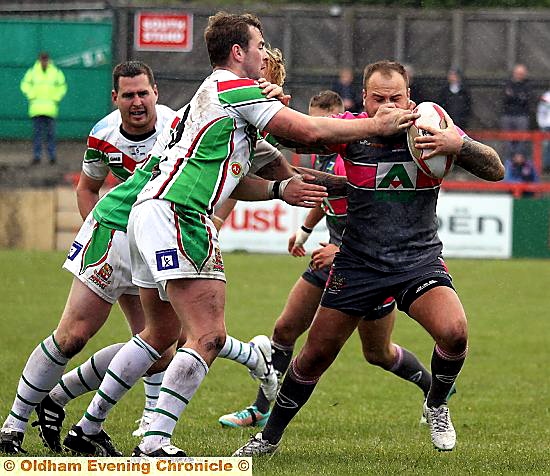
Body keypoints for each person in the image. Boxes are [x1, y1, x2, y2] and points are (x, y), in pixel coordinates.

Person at [61, 13, 416, 459]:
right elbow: (307, 131)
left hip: (151, 213)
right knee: (205, 337)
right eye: (259, 45)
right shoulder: (231, 88)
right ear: (238, 52)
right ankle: (154, 443)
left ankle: (85, 426)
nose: (264, 53)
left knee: (160, 335)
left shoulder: (219, 100)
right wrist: (376, 126)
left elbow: (278, 167)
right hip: (178, 212)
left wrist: (289, 186)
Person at [0, 60, 290, 456]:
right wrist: (97, 234)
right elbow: (88, 187)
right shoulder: (102, 133)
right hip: (120, 227)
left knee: (158, 345)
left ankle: (76, 412)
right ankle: (15, 426)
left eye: (143, 93)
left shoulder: (188, 117)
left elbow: (245, 167)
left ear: (156, 92)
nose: (137, 103)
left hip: (152, 230)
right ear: (115, 97)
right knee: (76, 335)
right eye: (128, 95)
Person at [233, 59, 504, 457]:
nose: (388, 105)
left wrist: (458, 145)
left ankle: (436, 403)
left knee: (455, 331)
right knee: (314, 356)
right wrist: (270, 106)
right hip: (358, 264)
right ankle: (267, 439)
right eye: (378, 98)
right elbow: (299, 139)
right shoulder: (353, 130)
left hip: (417, 261)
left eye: (396, 97)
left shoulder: (433, 127)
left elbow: (495, 169)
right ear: (365, 98)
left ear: (409, 96)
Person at [219, 90, 436, 429]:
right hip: (327, 257)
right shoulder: (323, 154)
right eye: (314, 121)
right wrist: (305, 232)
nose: (318, 129)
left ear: (343, 119)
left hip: (363, 262)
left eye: (326, 122)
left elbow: (374, 210)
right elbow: (326, 195)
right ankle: (262, 409)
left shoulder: (353, 149)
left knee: (378, 353)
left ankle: (432, 388)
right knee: (285, 328)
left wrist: (342, 249)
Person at [20, 52, 67, 165]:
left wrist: (55, 97)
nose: (44, 62)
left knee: (49, 134)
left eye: (45, 60)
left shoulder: (55, 72)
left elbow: (62, 86)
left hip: (50, 109)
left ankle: (51, 157)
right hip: (37, 109)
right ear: (40, 60)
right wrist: (32, 95)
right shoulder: (33, 72)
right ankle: (38, 157)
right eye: (42, 60)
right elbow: (24, 85)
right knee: (38, 134)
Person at [501, 63, 531, 158]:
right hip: (508, 115)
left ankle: (519, 160)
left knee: (521, 139)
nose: (519, 75)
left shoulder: (527, 85)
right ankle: (508, 160)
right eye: (518, 73)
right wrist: (518, 97)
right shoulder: (508, 84)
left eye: (521, 73)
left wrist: (514, 96)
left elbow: (526, 100)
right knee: (507, 140)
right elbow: (505, 99)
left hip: (522, 115)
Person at [536, 90, 550, 171]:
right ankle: (547, 166)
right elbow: (541, 111)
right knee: (546, 146)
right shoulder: (547, 96)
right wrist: (542, 124)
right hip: (547, 125)